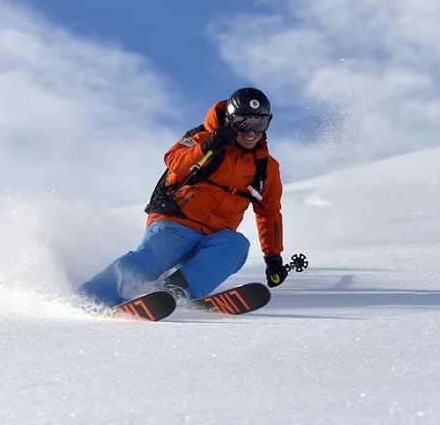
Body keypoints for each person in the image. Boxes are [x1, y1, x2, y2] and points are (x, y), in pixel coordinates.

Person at [78, 87, 288, 307]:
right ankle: (90, 298)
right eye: (243, 123)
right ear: (229, 120)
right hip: (176, 223)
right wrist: (210, 145)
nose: (251, 132)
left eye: (259, 124)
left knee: (236, 246)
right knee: (151, 259)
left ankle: (176, 289)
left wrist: (273, 257)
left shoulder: (265, 167)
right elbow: (173, 161)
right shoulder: (204, 138)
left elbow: (269, 211)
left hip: (215, 237)